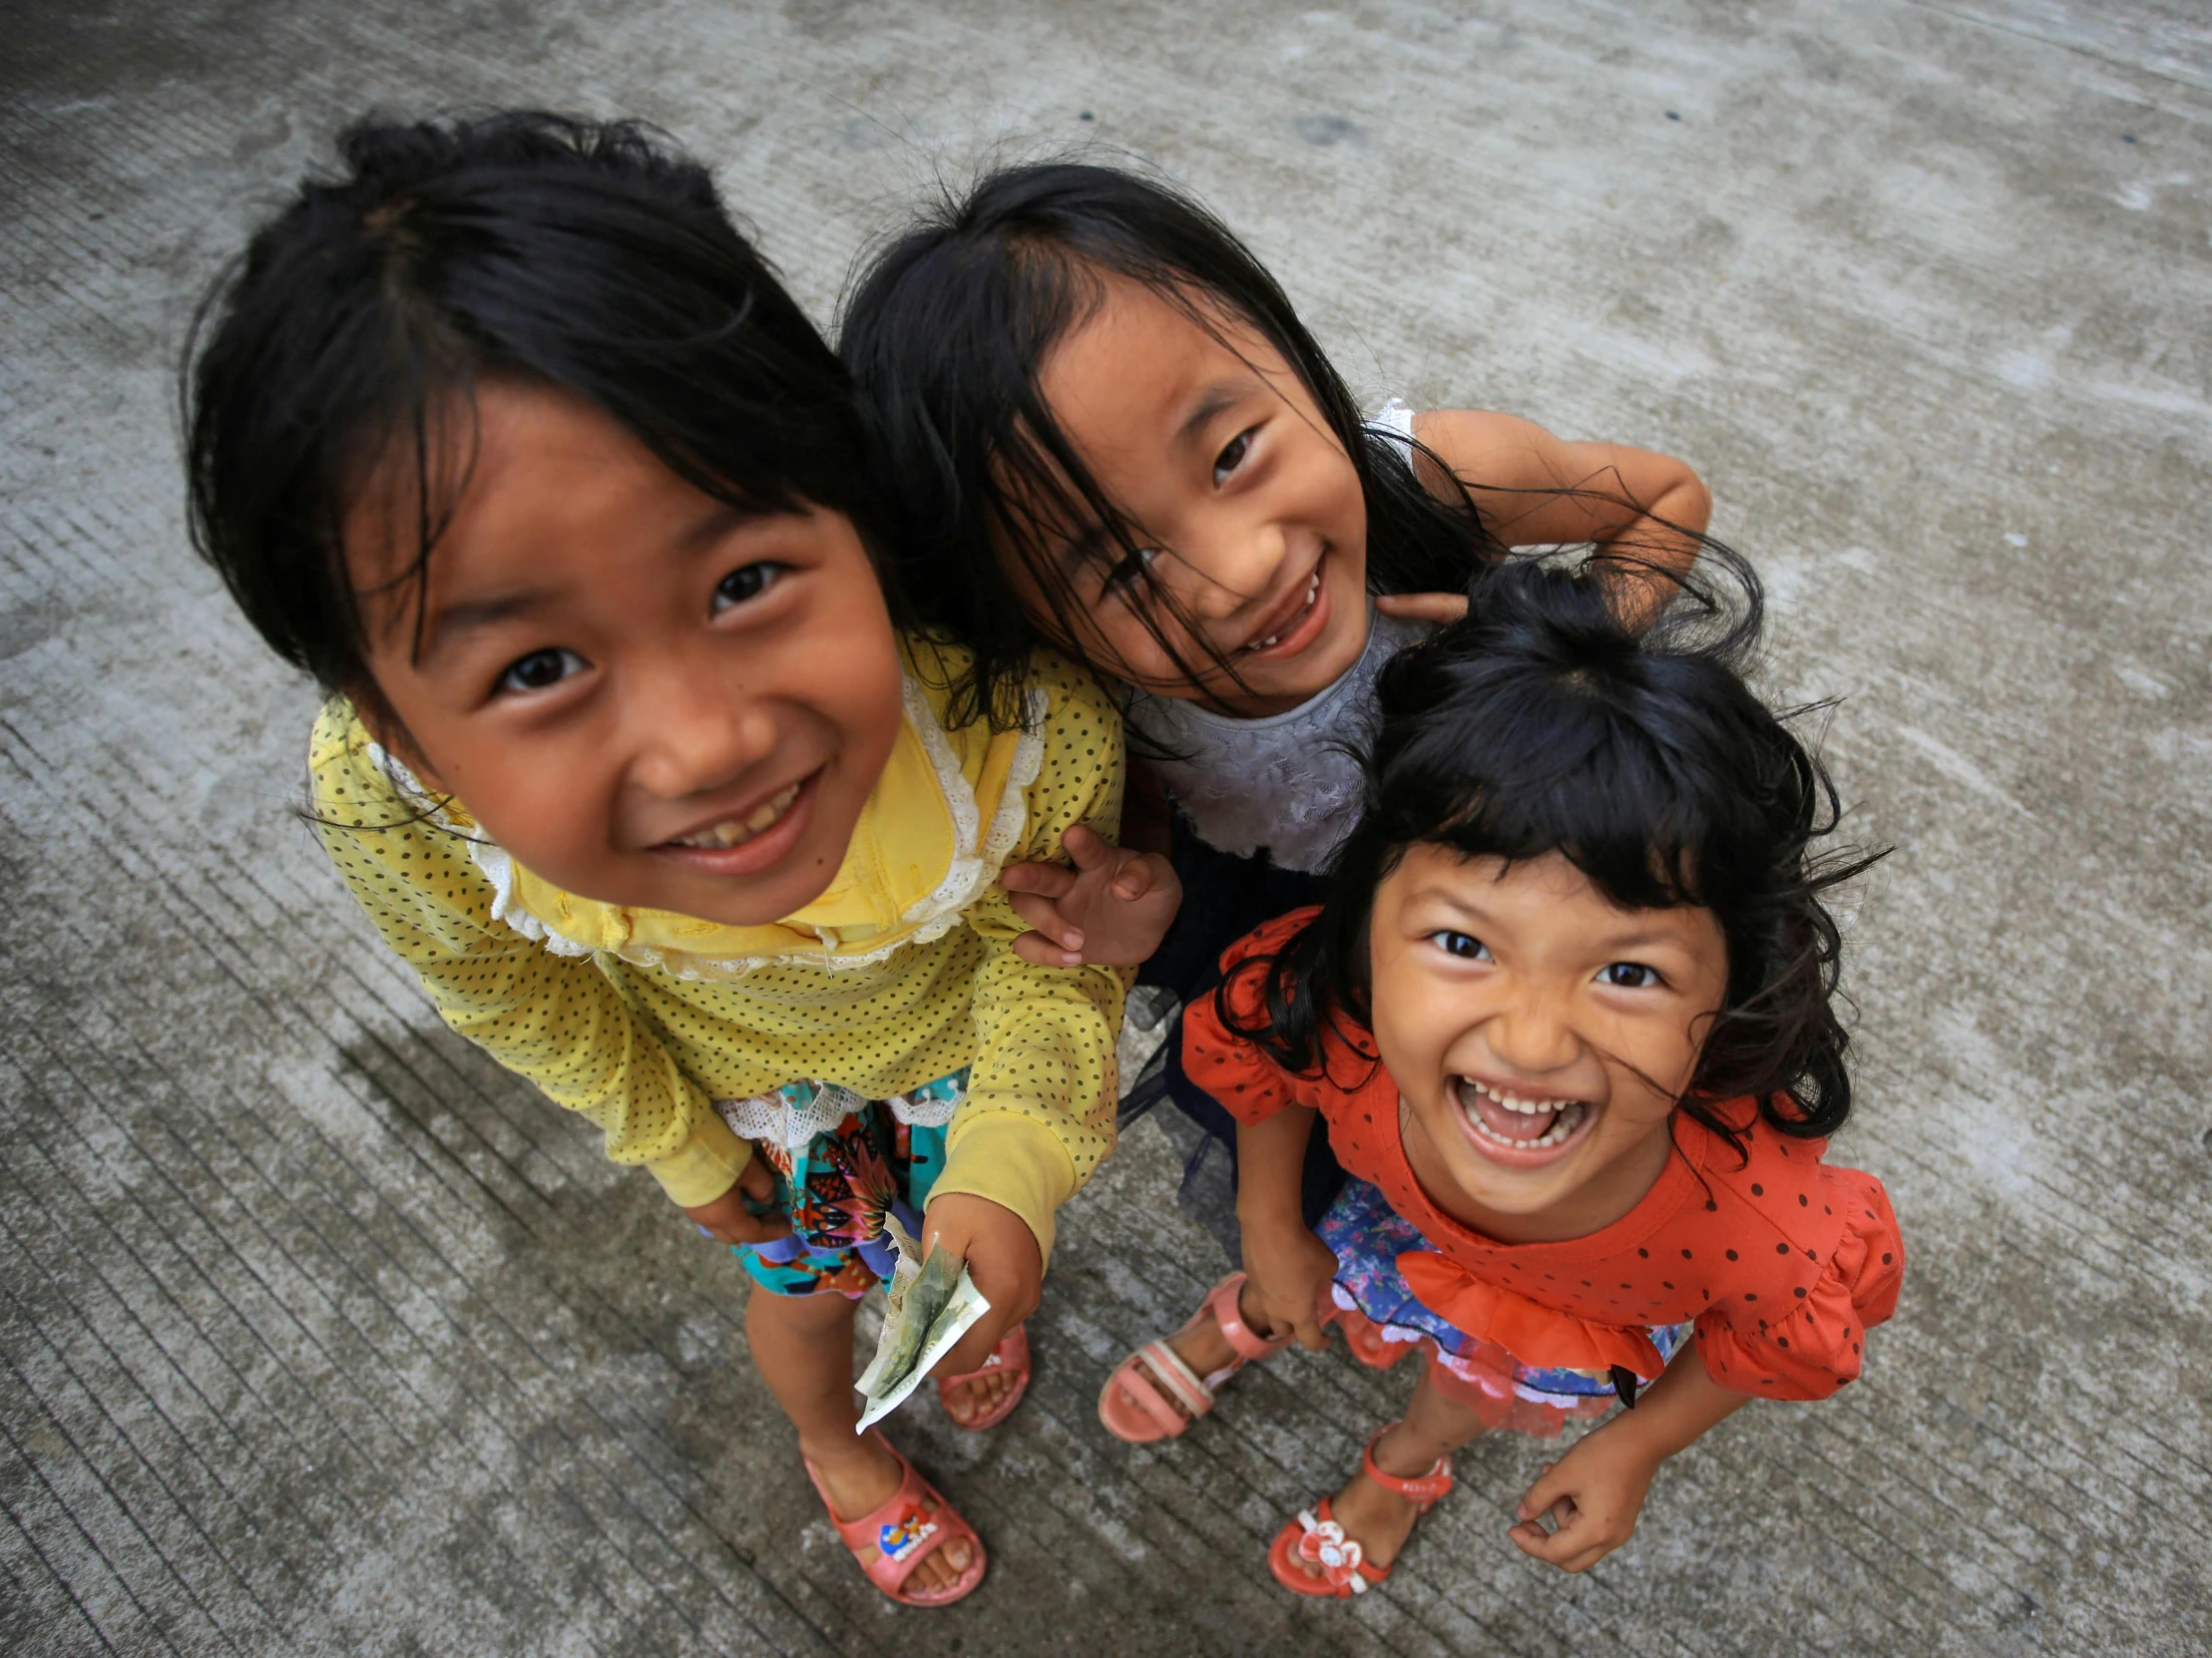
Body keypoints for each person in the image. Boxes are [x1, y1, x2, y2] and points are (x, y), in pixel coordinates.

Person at [184, 113, 1172, 1608]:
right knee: (799, 1296)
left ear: (850, 498)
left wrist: (1016, 1164)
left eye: (746, 577)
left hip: (963, 1063)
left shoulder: (1008, 720)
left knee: (959, 1247)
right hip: (747, 1105)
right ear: (389, 713)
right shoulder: (401, 813)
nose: (707, 743)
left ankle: (967, 1295)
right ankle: (836, 1442)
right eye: (536, 668)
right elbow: (514, 992)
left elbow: (1049, 957)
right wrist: (694, 1157)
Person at [840, 160, 1717, 1432]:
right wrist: (1128, 916)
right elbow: (1165, 906)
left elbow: (1664, 502)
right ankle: (1273, 1287)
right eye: (1125, 564)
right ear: (1027, 620)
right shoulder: (1096, 715)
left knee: (1526, 1161)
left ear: (1294, 357)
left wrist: (1550, 652)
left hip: (1519, 911)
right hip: (1293, 950)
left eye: (1237, 449)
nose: (1239, 567)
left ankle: (1454, 1345)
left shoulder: (1437, 481)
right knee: (1313, 1182)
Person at [1166, 549, 1901, 1592]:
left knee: (1465, 1380)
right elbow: (1258, 1066)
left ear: (1736, 980)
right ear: (1368, 921)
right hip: (1394, 1225)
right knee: (1315, 1270)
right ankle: (1271, 1292)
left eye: (1629, 969)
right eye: (1464, 945)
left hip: (1559, 1312)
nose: (1529, 1043)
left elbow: (1771, 1339)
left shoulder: (1754, 1229)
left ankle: (1409, 1461)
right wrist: (1271, 1225)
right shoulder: (1334, 1015)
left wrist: (1636, 1442)